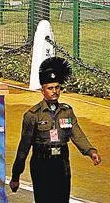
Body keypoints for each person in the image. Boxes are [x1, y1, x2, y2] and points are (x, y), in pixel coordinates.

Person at [10, 57, 101, 202]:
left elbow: (76, 133)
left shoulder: (67, 111)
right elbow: (24, 148)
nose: (54, 91)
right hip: (41, 163)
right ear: (43, 90)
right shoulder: (32, 115)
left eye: (57, 87)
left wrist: (90, 151)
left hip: (61, 162)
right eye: (50, 88)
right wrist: (16, 176)